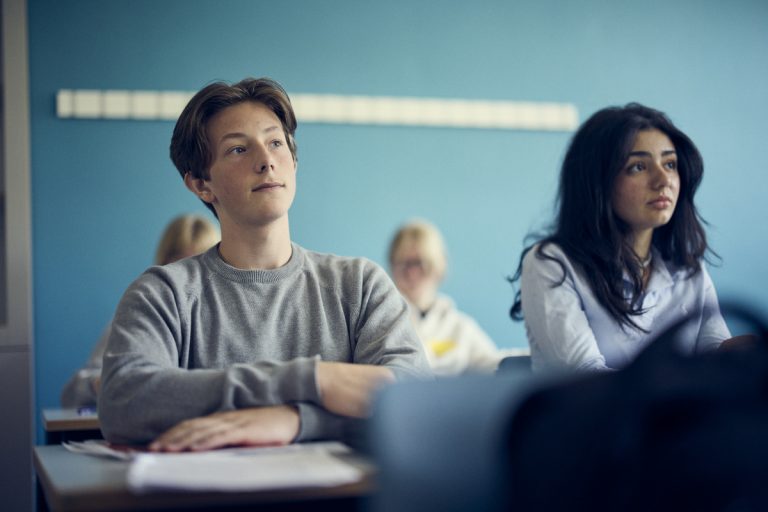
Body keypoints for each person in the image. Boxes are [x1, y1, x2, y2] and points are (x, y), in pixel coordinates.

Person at [98, 77, 431, 450]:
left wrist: (296, 420)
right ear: (200, 184)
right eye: (239, 150)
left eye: (275, 143)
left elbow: (417, 401)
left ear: (293, 161)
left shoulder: (360, 284)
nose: (266, 160)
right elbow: (124, 403)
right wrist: (313, 380)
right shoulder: (163, 294)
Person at [509, 103, 731, 373]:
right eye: (638, 167)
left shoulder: (688, 269)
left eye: (670, 164)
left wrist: (742, 357)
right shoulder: (551, 264)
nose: (664, 180)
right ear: (598, 182)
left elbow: (718, 361)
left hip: (677, 414)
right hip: (591, 415)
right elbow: (587, 377)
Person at [60, 214, 220, 408]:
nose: (185, 281)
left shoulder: (227, 320)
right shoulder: (140, 314)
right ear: (163, 265)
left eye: (194, 269)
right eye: (178, 267)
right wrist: (106, 383)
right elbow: (72, 394)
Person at [389, 220, 509, 375]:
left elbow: (494, 362)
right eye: (404, 264)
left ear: (439, 266)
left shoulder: (459, 327)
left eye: (420, 263)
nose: (412, 274)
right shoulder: (382, 322)